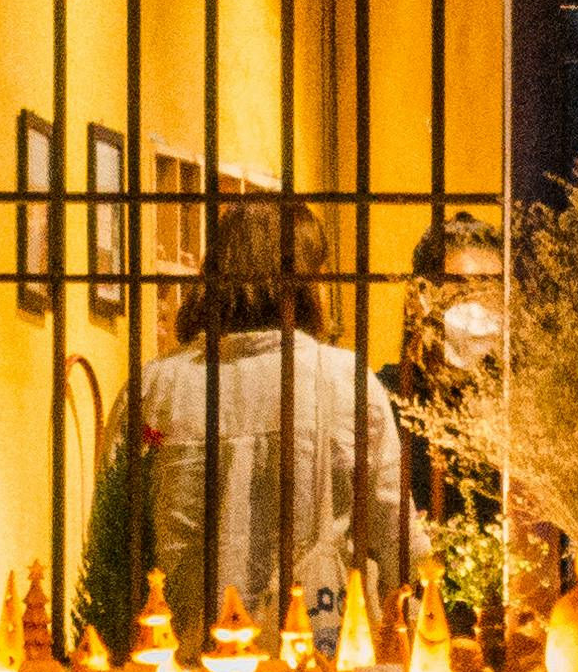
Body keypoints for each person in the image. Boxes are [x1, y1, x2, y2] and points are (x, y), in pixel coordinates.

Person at [102, 198, 406, 641]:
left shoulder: (155, 388)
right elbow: (395, 535)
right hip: (322, 663)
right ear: (306, 281)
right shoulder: (347, 382)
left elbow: (111, 541)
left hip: (178, 664)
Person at [384, 212, 506, 518]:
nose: (479, 305)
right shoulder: (388, 399)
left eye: (492, 289)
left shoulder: (518, 406)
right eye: (462, 288)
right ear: (423, 297)